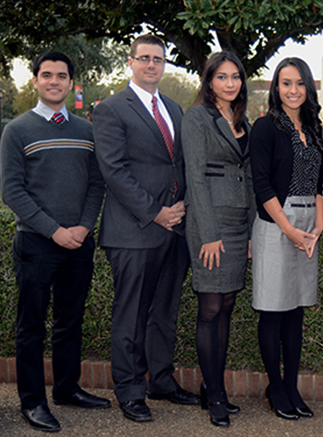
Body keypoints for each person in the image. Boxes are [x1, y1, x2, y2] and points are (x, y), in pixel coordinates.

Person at [0, 50, 109, 432]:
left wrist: (82, 226)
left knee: (70, 319)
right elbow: (12, 192)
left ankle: (67, 388)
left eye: (61, 76)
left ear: (71, 83)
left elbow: (97, 184)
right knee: (31, 325)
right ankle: (32, 402)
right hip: (36, 243)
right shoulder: (17, 130)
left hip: (79, 241)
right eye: (47, 75)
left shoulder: (86, 130)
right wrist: (54, 230)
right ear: (35, 81)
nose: (54, 81)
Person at [93, 34, 199, 423]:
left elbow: (179, 165)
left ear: (165, 64)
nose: (152, 65)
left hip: (175, 228)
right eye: (145, 58)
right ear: (131, 63)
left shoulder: (173, 107)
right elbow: (114, 171)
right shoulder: (111, 109)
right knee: (131, 314)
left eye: (158, 59)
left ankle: (162, 381)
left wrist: (183, 204)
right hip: (134, 230)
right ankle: (130, 389)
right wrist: (156, 212)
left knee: (165, 312)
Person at [250, 57, 323, 421]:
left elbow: (321, 182)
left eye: (299, 83)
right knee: (273, 310)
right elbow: (261, 184)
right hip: (275, 222)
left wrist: (319, 224)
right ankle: (275, 387)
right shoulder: (265, 127)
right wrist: (288, 228)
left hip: (309, 223)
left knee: (295, 311)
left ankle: (292, 386)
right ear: (276, 88)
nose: (292, 90)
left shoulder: (313, 126)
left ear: (308, 87)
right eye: (285, 83)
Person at [182, 51, 254, 428]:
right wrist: (208, 235)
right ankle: (214, 395)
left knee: (226, 305)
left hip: (240, 222)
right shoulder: (196, 117)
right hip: (210, 226)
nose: (230, 83)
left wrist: (255, 231)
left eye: (235, 77)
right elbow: (195, 176)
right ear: (209, 81)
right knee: (210, 308)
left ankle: (214, 387)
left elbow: (252, 177)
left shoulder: (244, 120)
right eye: (222, 77)